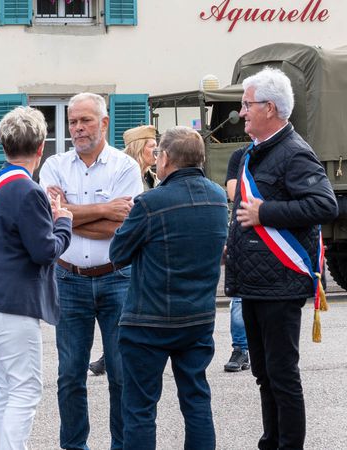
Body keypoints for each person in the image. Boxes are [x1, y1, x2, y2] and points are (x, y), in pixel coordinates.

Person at [225, 67, 338, 450]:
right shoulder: (255, 153)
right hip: (256, 281)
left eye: (246, 104)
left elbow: (324, 205)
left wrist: (266, 212)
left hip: (280, 282)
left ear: (269, 108)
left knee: (282, 375)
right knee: (264, 374)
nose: (241, 112)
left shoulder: (294, 152)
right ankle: (270, 441)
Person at [110, 126, 228, 450]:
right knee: (196, 400)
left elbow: (117, 253)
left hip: (148, 320)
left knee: (139, 409)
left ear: (166, 159)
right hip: (198, 316)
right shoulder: (218, 198)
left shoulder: (150, 202)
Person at [0, 106, 73, 450]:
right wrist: (63, 222)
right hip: (10, 302)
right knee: (25, 390)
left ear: (4, 145)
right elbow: (44, 251)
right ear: (41, 148)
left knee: (8, 390)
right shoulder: (28, 190)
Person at [39, 92, 143, 449]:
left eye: (85, 120)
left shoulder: (125, 167)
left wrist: (68, 212)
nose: (77, 128)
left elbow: (124, 227)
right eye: (72, 122)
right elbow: (49, 220)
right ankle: (74, 446)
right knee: (69, 376)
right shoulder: (54, 165)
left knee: (121, 375)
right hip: (68, 280)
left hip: (117, 279)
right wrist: (104, 209)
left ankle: (122, 445)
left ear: (104, 123)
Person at [88, 124, 159, 377]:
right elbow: (119, 224)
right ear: (140, 148)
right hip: (122, 253)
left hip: (144, 251)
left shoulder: (151, 177)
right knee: (126, 311)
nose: (157, 151)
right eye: (152, 147)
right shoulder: (123, 174)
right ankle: (112, 357)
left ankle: (116, 357)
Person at [224, 146, 250, 372]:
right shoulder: (240, 155)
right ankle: (240, 348)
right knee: (239, 297)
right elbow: (235, 195)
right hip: (244, 231)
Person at [123, 124, 159, 190]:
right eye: (151, 146)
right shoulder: (123, 177)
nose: (156, 150)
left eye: (156, 146)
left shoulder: (154, 178)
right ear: (138, 149)